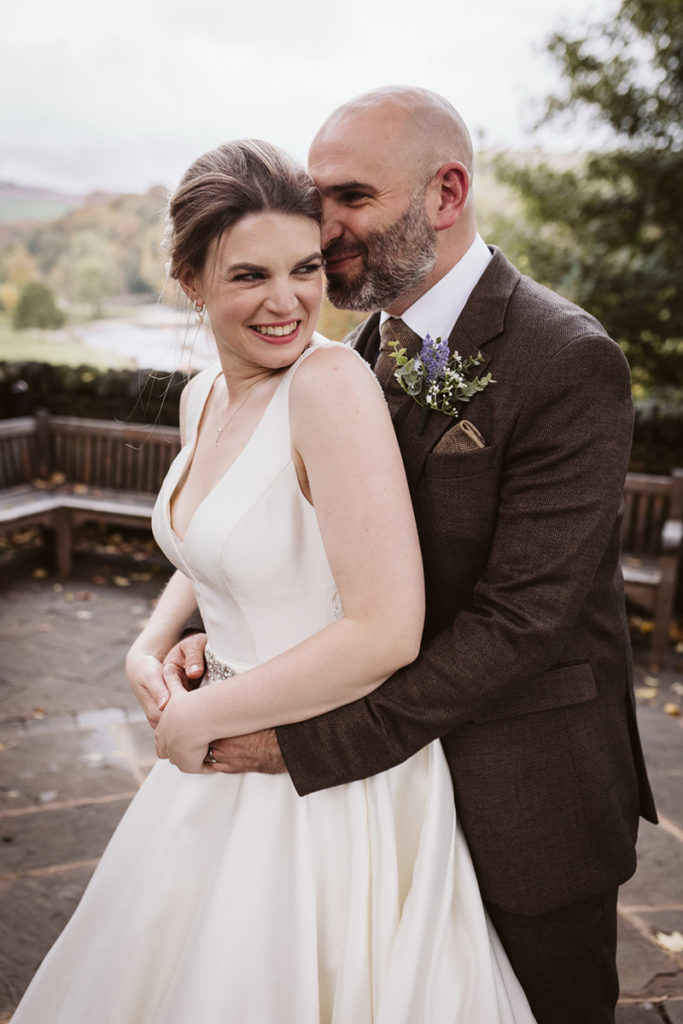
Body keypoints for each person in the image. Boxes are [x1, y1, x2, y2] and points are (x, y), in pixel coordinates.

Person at [10, 140, 536, 1023]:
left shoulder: (328, 387)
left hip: (319, 783)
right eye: (249, 275)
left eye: (305, 269)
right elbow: (210, 544)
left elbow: (385, 631)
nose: (287, 301)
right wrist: (149, 644)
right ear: (190, 281)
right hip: (214, 759)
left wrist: (203, 715)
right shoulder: (202, 396)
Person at [166, 89, 658, 1024]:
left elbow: (522, 620)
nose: (324, 227)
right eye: (318, 197)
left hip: (519, 792)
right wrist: (220, 633)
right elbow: (299, 525)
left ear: (447, 193)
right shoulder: (346, 355)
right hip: (376, 813)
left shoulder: (565, 358)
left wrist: (304, 745)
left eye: (351, 197)